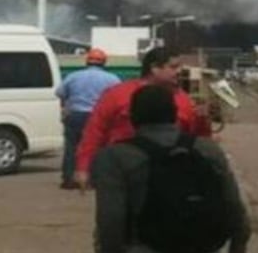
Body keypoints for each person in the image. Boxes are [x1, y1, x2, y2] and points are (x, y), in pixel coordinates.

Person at [91, 85, 251, 253]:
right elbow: (233, 204)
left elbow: (111, 218)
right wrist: (237, 248)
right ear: (175, 115)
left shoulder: (115, 157)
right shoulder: (207, 149)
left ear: (133, 117)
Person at [74, 46, 197, 189]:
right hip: (121, 171)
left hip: (168, 174)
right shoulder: (118, 95)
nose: (179, 72)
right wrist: (83, 166)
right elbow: (95, 131)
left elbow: (193, 136)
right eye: (174, 67)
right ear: (155, 68)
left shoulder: (183, 99)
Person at [56, 47, 120, 189]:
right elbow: (117, 98)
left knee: (72, 148)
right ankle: (93, 179)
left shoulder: (73, 76)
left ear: (87, 61)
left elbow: (60, 93)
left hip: (75, 115)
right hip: (98, 117)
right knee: (97, 148)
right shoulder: (112, 79)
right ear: (104, 63)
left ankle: (69, 179)